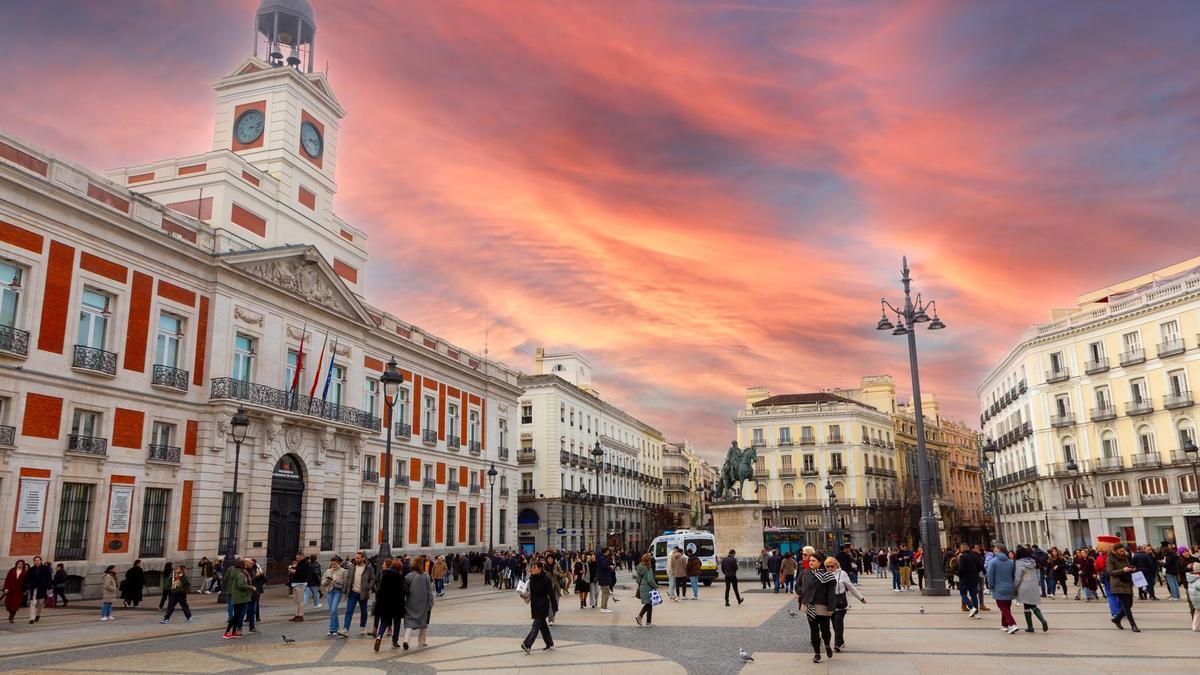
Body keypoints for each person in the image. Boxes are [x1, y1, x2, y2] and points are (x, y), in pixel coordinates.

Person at [800, 555, 837, 663]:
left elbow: (831, 593)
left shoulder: (828, 575)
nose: (811, 562)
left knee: (825, 630)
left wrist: (831, 608)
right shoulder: (805, 573)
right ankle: (817, 654)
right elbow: (798, 585)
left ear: (820, 562)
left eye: (813, 561)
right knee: (814, 630)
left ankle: (827, 645)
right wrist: (802, 592)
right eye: (810, 561)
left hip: (823, 606)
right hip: (809, 605)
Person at [827, 555, 865, 651]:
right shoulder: (825, 574)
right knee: (835, 624)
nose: (830, 568)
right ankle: (841, 641)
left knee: (838, 622)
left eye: (832, 566)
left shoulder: (842, 574)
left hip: (841, 602)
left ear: (836, 565)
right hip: (830, 603)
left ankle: (837, 644)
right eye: (828, 566)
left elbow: (850, 586)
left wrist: (860, 597)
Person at [519, 560, 558, 653]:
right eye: (532, 567)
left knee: (536, 625)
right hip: (535, 605)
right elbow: (529, 593)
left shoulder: (546, 579)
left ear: (540, 569)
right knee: (543, 626)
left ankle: (527, 644)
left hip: (543, 605)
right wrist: (522, 593)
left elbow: (551, 594)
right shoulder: (531, 579)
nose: (532, 569)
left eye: (534, 567)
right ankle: (550, 644)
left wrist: (554, 607)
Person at [373, 559, 407, 652]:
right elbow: (404, 591)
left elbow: (379, 590)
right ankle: (395, 641)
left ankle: (379, 636)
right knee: (397, 622)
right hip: (397, 603)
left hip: (385, 603)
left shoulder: (385, 576)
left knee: (384, 622)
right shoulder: (400, 577)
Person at [402, 555, 434, 650]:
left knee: (409, 622)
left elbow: (405, 591)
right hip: (423, 603)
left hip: (411, 602)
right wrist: (430, 602)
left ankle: (406, 640)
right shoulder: (426, 576)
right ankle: (421, 641)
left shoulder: (408, 576)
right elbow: (429, 591)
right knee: (423, 623)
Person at [1106, 542, 1140, 631]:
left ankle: (1117, 619)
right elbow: (1110, 572)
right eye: (1120, 551)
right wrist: (1123, 570)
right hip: (1118, 584)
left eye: (1123, 551)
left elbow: (1128, 567)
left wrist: (1132, 568)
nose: (1122, 552)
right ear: (1115, 551)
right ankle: (1133, 625)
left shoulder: (1124, 557)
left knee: (1129, 604)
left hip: (1127, 583)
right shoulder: (1110, 559)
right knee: (1126, 605)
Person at [340, 551, 376, 637]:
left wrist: (368, 587)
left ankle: (362, 628)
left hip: (363, 593)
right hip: (353, 592)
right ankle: (345, 629)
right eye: (355, 558)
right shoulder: (352, 566)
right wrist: (345, 591)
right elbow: (349, 578)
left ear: (363, 558)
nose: (356, 560)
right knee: (349, 611)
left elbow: (372, 579)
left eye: (358, 558)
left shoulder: (368, 567)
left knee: (364, 611)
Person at [987, 546, 1017, 633]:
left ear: (999, 551)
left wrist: (991, 586)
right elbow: (1013, 575)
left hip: (998, 587)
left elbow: (990, 576)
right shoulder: (1011, 562)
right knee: (1007, 608)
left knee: (1003, 607)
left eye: (996, 550)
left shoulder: (993, 562)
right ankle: (1004, 625)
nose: (994, 551)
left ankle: (1012, 624)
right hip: (1009, 587)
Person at [222, 557, 252, 639]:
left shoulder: (233, 570)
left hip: (233, 593)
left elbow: (225, 579)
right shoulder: (241, 573)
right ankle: (228, 631)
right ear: (242, 565)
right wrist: (251, 587)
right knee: (237, 615)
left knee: (235, 613)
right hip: (240, 596)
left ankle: (234, 631)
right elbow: (240, 585)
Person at [322, 555, 347, 636]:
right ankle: (332, 629)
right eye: (332, 564)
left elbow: (345, 583)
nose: (333, 565)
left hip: (337, 591)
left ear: (338, 563)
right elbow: (322, 583)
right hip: (330, 591)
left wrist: (336, 582)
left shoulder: (343, 571)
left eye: (335, 564)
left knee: (333, 609)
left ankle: (335, 628)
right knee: (332, 611)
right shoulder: (328, 571)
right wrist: (327, 580)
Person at [956, 544, 981, 618]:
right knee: (974, 595)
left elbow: (961, 569)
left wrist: (958, 574)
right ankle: (976, 612)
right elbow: (980, 566)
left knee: (963, 594)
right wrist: (975, 572)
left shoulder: (962, 557)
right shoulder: (974, 556)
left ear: (962, 549)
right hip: (974, 578)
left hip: (965, 579)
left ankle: (972, 608)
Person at [25, 556, 52, 623]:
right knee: (33, 603)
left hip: (42, 589)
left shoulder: (46, 568)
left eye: (38, 560)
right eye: (35, 560)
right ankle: (31, 618)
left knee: (40, 604)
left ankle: (38, 615)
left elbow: (49, 579)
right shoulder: (31, 569)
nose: (36, 562)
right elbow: (28, 579)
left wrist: (49, 588)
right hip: (33, 589)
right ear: (34, 561)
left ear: (40, 561)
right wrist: (26, 588)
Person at [634, 553, 656, 626]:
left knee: (648, 604)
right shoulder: (648, 568)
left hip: (642, 587)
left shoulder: (640, 566)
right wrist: (655, 586)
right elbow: (650, 580)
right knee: (649, 604)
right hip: (648, 588)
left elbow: (637, 580)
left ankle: (645, 620)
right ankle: (642, 618)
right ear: (649, 560)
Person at [289, 553, 311, 622]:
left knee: (300, 600)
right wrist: (293, 568)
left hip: (301, 583)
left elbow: (302, 574)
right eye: (296, 558)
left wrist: (294, 571)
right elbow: (297, 571)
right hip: (295, 583)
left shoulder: (305, 564)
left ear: (302, 557)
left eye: (298, 558)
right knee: (295, 601)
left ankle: (301, 615)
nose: (297, 559)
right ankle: (296, 615)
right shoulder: (299, 564)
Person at [596, 548, 616, 613]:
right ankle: (604, 607)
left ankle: (603, 607)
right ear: (605, 551)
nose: (609, 552)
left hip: (603, 577)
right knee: (606, 592)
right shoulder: (603, 558)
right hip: (604, 578)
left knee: (604, 592)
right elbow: (604, 567)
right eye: (608, 551)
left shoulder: (602, 558)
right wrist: (610, 567)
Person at [1186, 561, 1200, 631]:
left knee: (1197, 613)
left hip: (1196, 600)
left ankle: (1195, 627)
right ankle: (1196, 627)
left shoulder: (1192, 578)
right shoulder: (1198, 579)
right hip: (1198, 599)